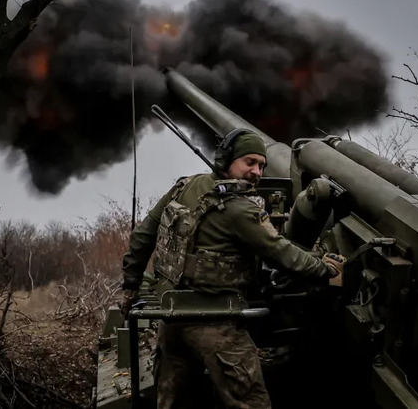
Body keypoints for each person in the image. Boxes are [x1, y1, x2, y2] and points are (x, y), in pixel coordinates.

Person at [119, 128, 345, 409]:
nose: (257, 172)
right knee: (251, 403)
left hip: (171, 318)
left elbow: (143, 235)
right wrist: (325, 269)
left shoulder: (184, 186)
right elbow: (282, 254)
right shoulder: (241, 209)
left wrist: (130, 285)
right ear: (226, 160)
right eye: (249, 162)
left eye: (261, 165)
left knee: (171, 402)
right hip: (216, 323)